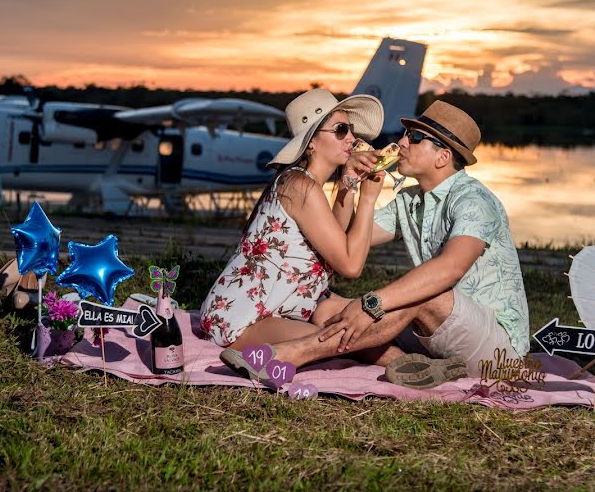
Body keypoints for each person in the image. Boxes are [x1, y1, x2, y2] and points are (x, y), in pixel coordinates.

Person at [221, 100, 530, 383]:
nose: (402, 142)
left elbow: (449, 270)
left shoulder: (474, 200)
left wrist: (373, 303)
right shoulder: (409, 201)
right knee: (330, 309)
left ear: (443, 156)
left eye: (415, 138)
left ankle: (292, 354)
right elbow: (343, 243)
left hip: (498, 351)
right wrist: (349, 185)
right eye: (407, 133)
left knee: (424, 292)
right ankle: (415, 367)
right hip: (439, 334)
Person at [199, 88, 391, 354]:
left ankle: (416, 366)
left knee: (363, 323)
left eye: (351, 130)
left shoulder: (301, 182)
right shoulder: (300, 186)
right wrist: (368, 200)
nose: (352, 138)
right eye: (340, 130)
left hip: (286, 307)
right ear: (311, 142)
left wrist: (348, 185)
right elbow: (350, 265)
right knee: (339, 338)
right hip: (241, 319)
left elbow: (337, 241)